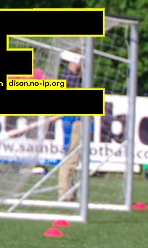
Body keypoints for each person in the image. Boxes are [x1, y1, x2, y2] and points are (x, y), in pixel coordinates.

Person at [58, 52, 83, 201]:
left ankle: (69, 190)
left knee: (73, 156)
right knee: (71, 157)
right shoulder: (70, 78)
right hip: (73, 120)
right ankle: (65, 191)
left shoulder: (73, 77)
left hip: (74, 120)